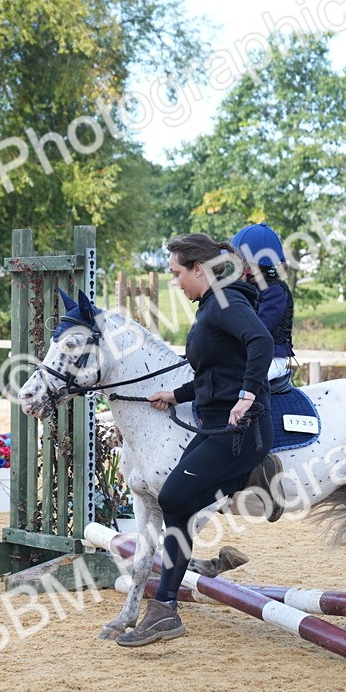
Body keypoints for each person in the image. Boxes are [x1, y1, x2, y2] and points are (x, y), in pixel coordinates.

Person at [117, 233, 274, 648]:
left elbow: (261, 341)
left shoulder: (225, 301)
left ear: (199, 269)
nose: (175, 282)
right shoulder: (210, 304)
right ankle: (165, 609)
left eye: (176, 273)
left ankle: (165, 606)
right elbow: (214, 373)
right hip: (216, 426)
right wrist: (176, 395)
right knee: (179, 503)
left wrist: (248, 395)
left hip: (241, 431)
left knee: (173, 497)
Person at [231, 222, 294, 381]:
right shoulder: (249, 287)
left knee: (235, 383)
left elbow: (259, 329)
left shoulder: (275, 291)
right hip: (251, 357)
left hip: (272, 359)